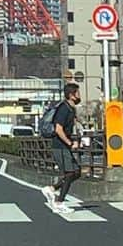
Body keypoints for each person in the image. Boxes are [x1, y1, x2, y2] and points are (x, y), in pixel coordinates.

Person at [41, 83, 82, 212]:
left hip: (64, 146)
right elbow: (58, 129)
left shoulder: (70, 108)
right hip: (60, 146)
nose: (79, 95)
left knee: (76, 172)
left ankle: (52, 189)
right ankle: (59, 202)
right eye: (77, 93)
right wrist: (70, 143)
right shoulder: (64, 108)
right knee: (70, 173)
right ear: (71, 95)